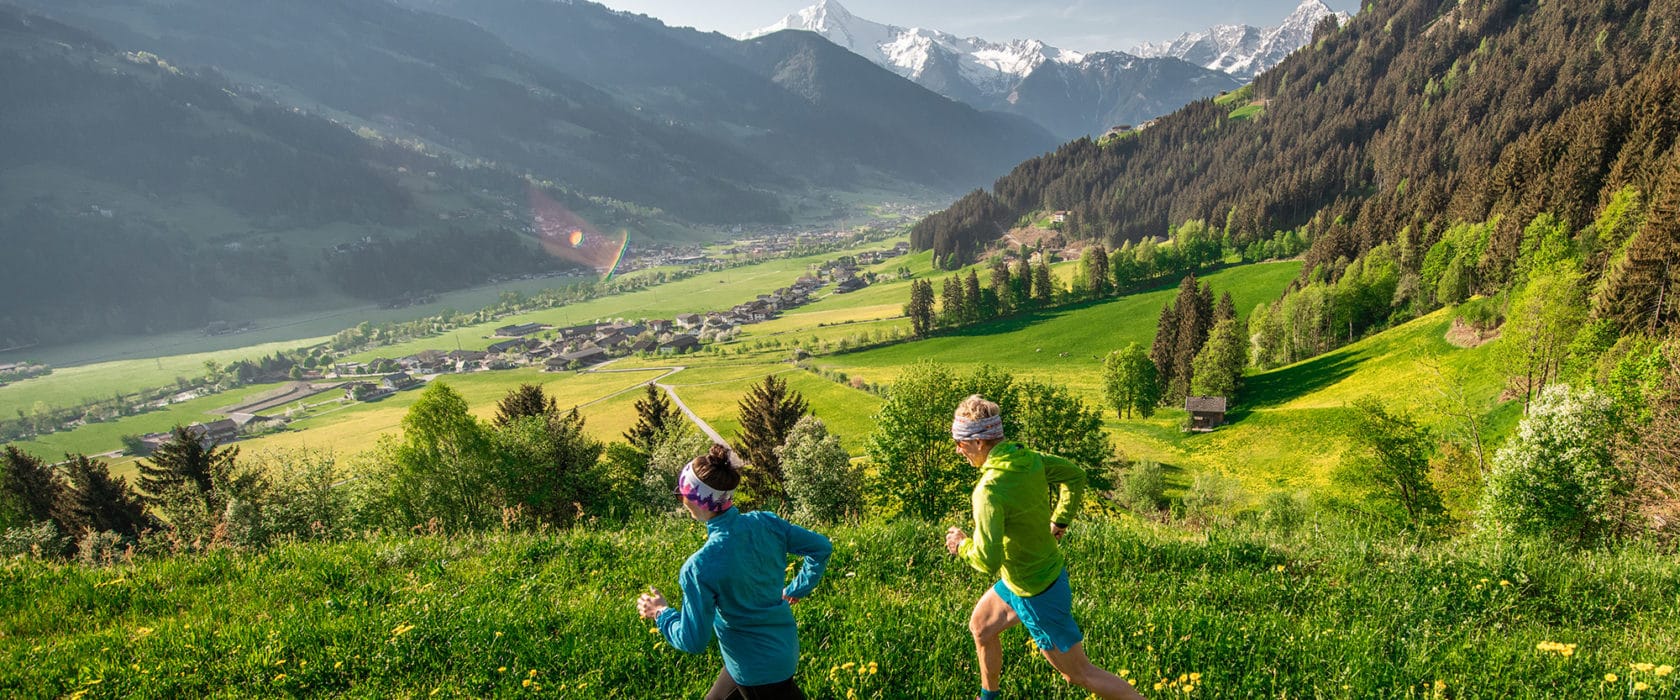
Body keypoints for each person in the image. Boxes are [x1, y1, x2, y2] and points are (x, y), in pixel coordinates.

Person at [943, 395, 1144, 700]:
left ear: (980, 442)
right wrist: (1060, 522)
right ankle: (989, 697)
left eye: (960, 442)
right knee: (982, 627)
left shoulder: (989, 490)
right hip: (1019, 579)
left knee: (1078, 674)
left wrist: (961, 545)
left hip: (1037, 591)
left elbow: (986, 559)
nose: (958, 450)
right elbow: (1075, 475)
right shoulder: (1030, 460)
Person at [638, 444, 832, 700]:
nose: (679, 497)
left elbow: (692, 640)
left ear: (695, 501)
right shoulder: (767, 524)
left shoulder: (699, 568)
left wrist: (661, 613)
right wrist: (797, 588)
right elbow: (822, 548)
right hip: (777, 650)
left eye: (680, 493)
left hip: (757, 671)